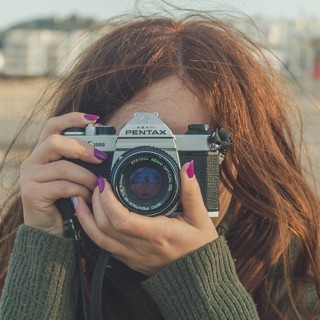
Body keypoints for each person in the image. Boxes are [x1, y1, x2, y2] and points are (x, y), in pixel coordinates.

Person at [0, 13, 319, 320]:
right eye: (133, 147)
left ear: (246, 158)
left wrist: (199, 279)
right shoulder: (29, 241)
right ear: (85, 149)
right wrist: (44, 245)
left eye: (181, 149)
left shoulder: (293, 263)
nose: (151, 176)